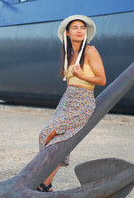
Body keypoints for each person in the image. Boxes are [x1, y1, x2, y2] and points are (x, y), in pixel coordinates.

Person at [37, 15, 106, 192]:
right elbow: (69, 84)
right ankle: (46, 184)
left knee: (48, 134)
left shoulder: (90, 51)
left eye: (82, 27)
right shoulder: (70, 55)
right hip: (67, 102)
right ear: (67, 33)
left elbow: (102, 80)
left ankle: (41, 180)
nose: (79, 30)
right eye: (75, 28)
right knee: (54, 139)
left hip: (82, 102)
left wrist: (82, 76)